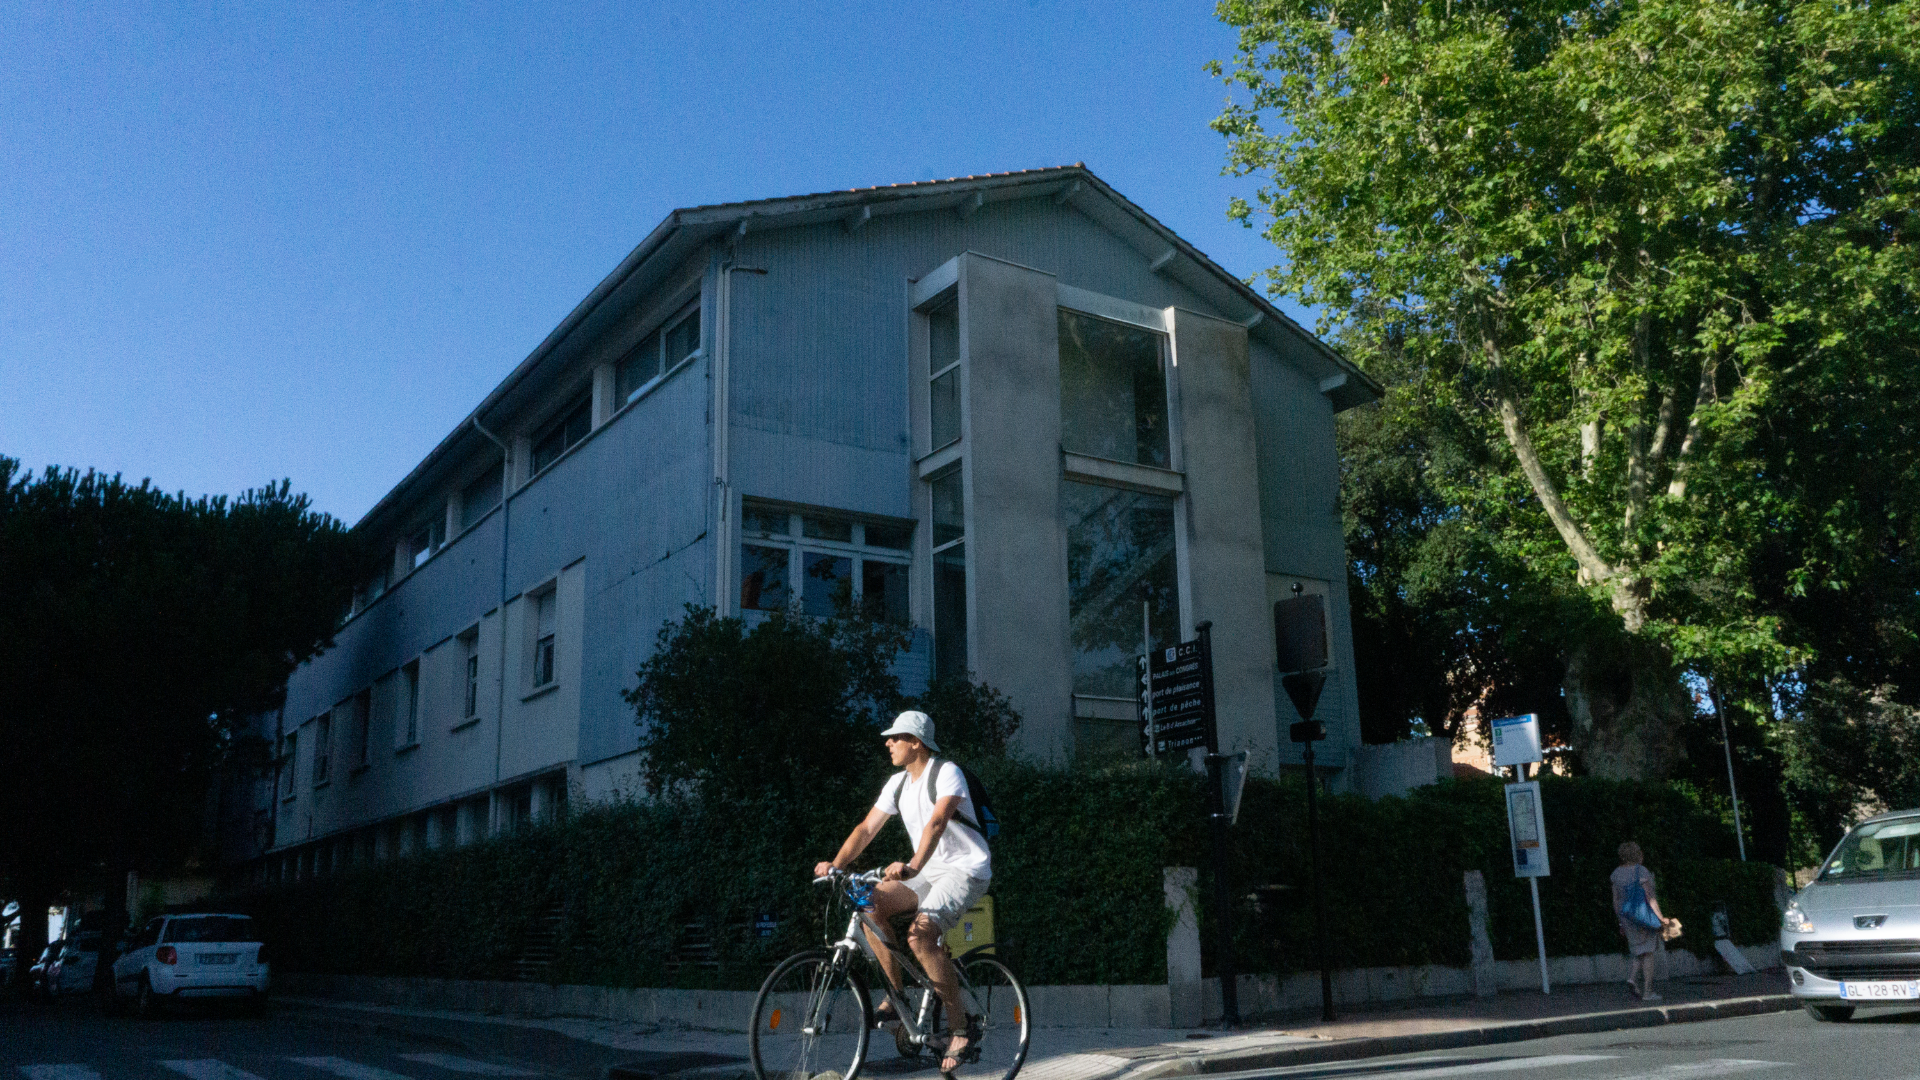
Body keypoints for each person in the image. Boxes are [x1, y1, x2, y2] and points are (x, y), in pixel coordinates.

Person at [814, 710, 991, 1073]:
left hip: (964, 870)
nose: (888, 742)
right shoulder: (897, 784)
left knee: (921, 935)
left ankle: (961, 1027)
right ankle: (897, 998)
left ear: (917, 742)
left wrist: (911, 864)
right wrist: (835, 865)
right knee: (868, 904)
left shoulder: (946, 773)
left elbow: (938, 821)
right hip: (927, 870)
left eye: (896, 737)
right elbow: (866, 829)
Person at [1611, 841, 1669, 1001]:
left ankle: (1632, 977)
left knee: (1638, 951)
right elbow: (1650, 898)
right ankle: (1648, 992)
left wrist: (1620, 922)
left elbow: (1615, 901)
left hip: (1627, 918)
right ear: (1638, 854)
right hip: (1644, 918)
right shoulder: (1641, 871)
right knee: (1648, 952)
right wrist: (1661, 917)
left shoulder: (1615, 874)